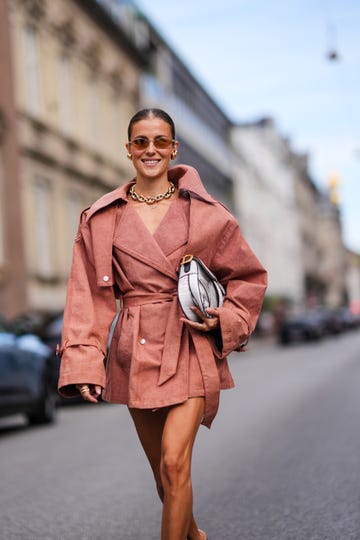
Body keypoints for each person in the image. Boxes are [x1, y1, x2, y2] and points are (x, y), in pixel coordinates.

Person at [58, 108, 267, 540]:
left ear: (174, 148)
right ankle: (195, 536)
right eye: (141, 141)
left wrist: (225, 319)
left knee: (174, 462)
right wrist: (83, 361)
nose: (150, 150)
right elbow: (88, 296)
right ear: (129, 149)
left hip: (190, 342)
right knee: (163, 475)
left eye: (159, 141)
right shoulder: (101, 218)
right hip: (135, 348)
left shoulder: (207, 213)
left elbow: (247, 278)